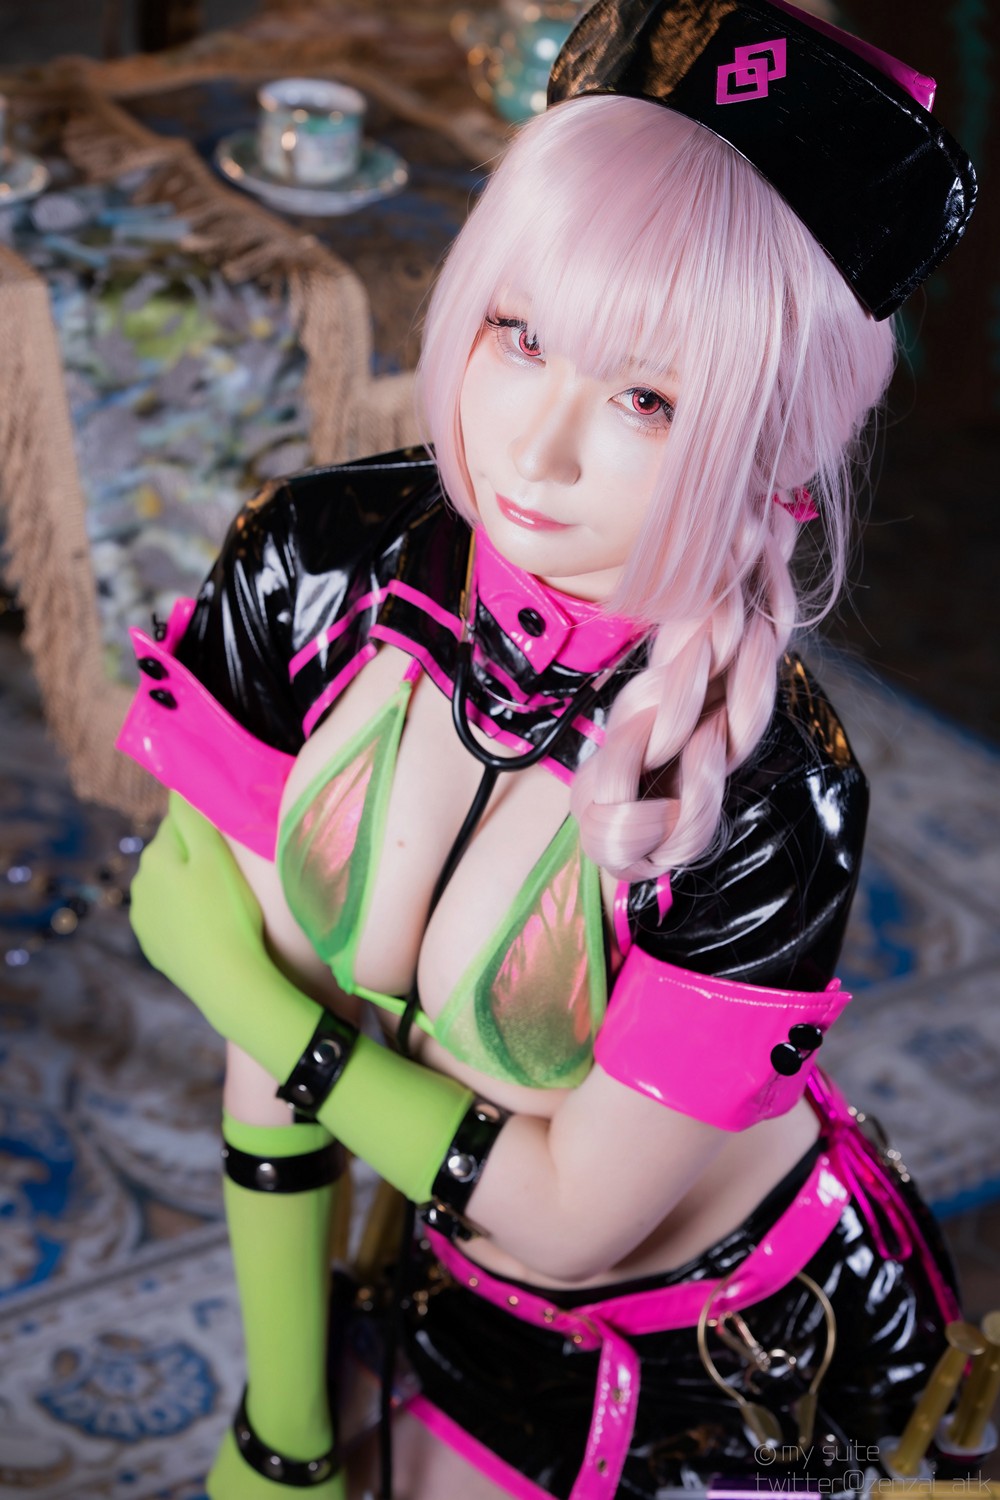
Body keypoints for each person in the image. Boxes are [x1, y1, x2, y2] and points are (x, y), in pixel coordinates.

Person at [120, 2, 977, 1496]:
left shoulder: (771, 791)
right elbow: (280, 1059)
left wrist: (235, 987)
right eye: (520, 335)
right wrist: (278, 1430)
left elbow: (570, 1220)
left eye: (647, 399)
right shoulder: (322, 559)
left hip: (726, 1356)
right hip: (432, 1273)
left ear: (772, 445)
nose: (537, 448)